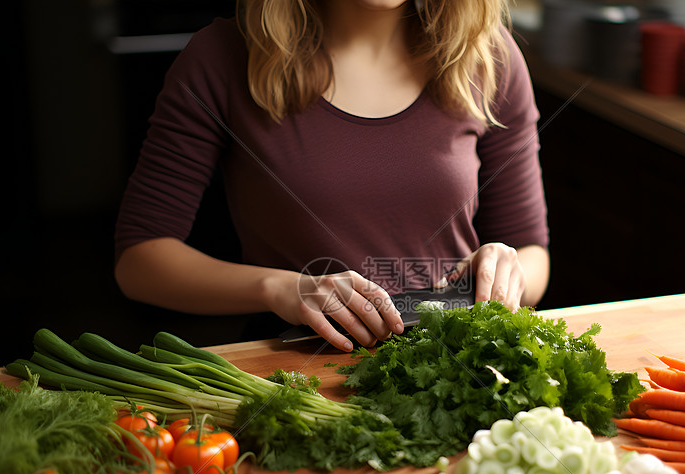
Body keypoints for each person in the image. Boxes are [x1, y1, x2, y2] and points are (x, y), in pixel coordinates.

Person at [114, 0, 550, 352]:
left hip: (458, 360)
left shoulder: (488, 54)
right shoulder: (221, 57)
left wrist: (503, 272)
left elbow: (533, 254)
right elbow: (140, 263)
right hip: (298, 373)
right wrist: (282, 288)